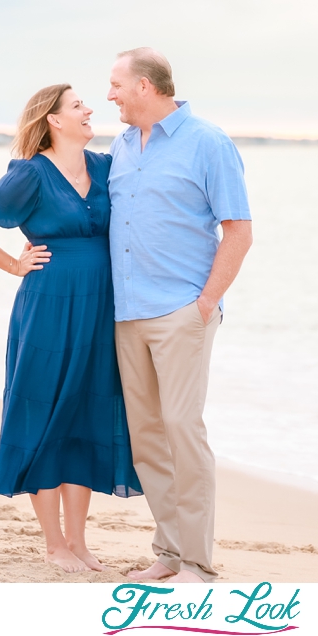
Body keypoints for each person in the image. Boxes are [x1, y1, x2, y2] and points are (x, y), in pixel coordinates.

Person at [0, 84, 141, 574]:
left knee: (84, 416)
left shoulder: (104, 167)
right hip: (49, 308)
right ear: (54, 120)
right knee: (46, 416)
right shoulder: (31, 174)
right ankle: (54, 544)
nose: (89, 110)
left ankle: (79, 543)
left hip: (101, 308)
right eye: (78, 106)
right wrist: (14, 265)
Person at [106, 48, 253, 583]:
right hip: (128, 313)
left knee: (182, 429)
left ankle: (197, 560)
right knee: (146, 434)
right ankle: (169, 550)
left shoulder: (208, 142)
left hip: (181, 311)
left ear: (145, 86)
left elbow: (238, 230)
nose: (110, 95)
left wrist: (205, 304)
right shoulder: (121, 146)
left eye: (116, 84)